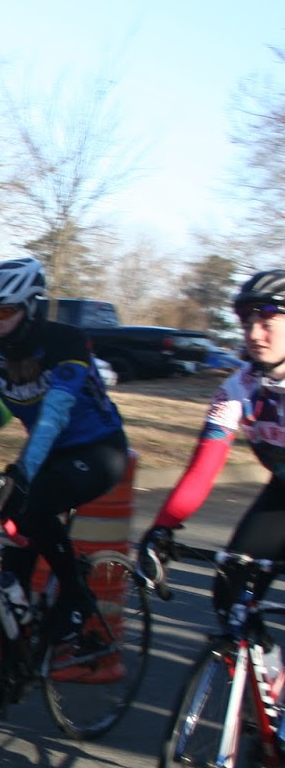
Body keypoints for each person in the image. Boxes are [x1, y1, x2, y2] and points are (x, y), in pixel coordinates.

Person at [0, 257, 128, 693]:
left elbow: (54, 415)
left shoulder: (65, 342)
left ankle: (77, 593)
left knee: (32, 501)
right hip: (49, 454)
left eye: (4, 311)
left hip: (98, 450)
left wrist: (22, 472)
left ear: (30, 307)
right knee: (10, 573)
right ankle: (11, 665)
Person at [143, 271, 285, 639]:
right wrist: (163, 527)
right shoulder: (239, 388)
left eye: (267, 323)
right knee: (230, 592)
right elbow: (203, 469)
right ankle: (260, 669)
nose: (254, 335)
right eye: (248, 324)